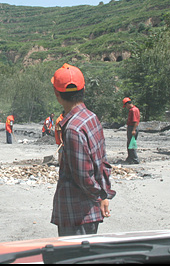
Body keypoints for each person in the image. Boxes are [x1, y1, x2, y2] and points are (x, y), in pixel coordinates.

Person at [50, 63, 116, 237]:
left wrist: (101, 195)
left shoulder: (72, 129)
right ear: (83, 89)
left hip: (77, 213)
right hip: (88, 210)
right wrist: (104, 194)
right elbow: (102, 162)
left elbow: (83, 176)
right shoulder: (91, 118)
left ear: (57, 94)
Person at [123, 97, 140, 164]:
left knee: (131, 144)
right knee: (129, 143)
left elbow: (135, 121)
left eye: (126, 106)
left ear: (128, 104)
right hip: (131, 127)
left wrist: (133, 130)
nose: (126, 107)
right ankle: (130, 158)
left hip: (132, 127)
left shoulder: (133, 110)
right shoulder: (134, 109)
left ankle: (135, 159)